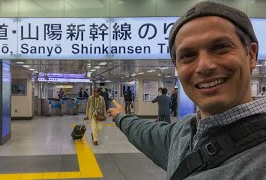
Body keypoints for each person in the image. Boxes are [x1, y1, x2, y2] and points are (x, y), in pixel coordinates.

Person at [108, 1, 266, 179]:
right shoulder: (184, 132)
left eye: (220, 47)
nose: (204, 66)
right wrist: (120, 115)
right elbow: (145, 132)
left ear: (251, 55)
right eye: (188, 55)